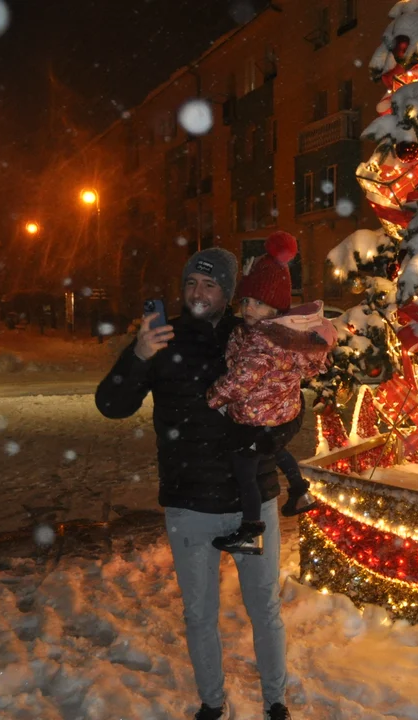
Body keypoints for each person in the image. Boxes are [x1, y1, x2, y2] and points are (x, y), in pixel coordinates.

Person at [95, 247, 296, 720]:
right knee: (199, 614)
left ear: (227, 294)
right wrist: (138, 354)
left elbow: (291, 408)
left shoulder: (254, 337)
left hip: (251, 505)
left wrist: (265, 441)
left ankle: (276, 702)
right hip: (190, 507)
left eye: (209, 285)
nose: (197, 293)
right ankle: (212, 704)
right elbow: (111, 404)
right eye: (191, 284)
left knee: (263, 610)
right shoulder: (160, 339)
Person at [206, 231, 332, 554]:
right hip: (278, 417)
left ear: (274, 308)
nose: (248, 308)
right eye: (246, 301)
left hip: (254, 417)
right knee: (274, 449)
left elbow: (240, 381)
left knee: (244, 470)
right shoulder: (282, 335)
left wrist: (212, 397)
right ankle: (300, 490)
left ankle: (251, 530)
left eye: (258, 303)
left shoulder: (262, 342)